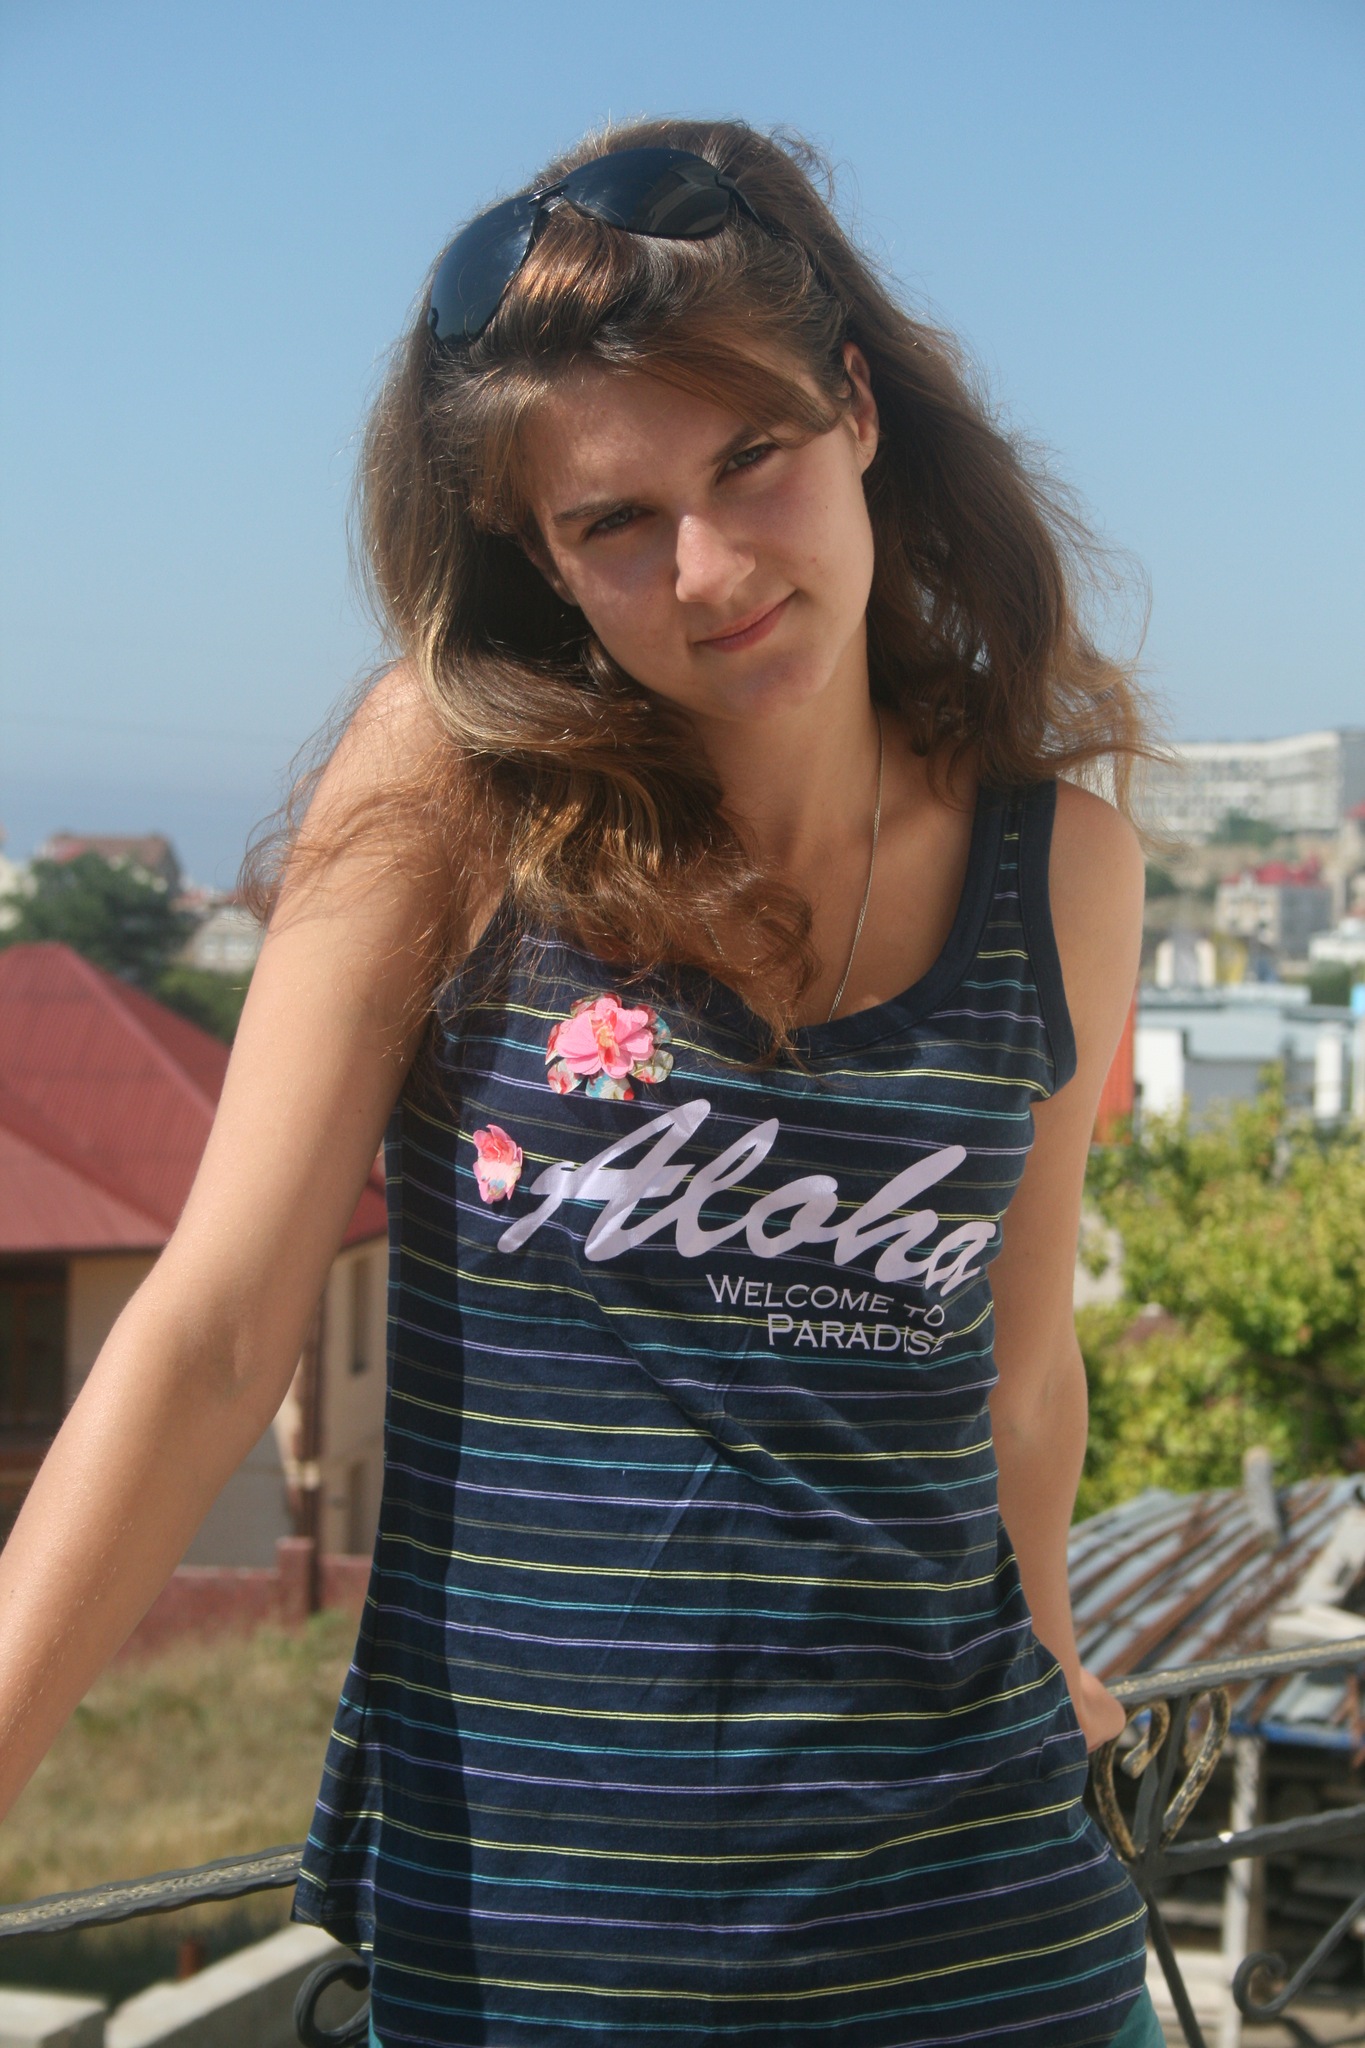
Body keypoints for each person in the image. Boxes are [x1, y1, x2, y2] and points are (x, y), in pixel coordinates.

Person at [0, 119, 1166, 2047]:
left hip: (989, 1947)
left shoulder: (1062, 871)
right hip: (531, 1958)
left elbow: (1020, 1377)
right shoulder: (458, 795)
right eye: (612, 523)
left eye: (749, 459)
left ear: (857, 409)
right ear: (535, 558)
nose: (707, 571)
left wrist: (1049, 1646)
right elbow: (212, 1332)